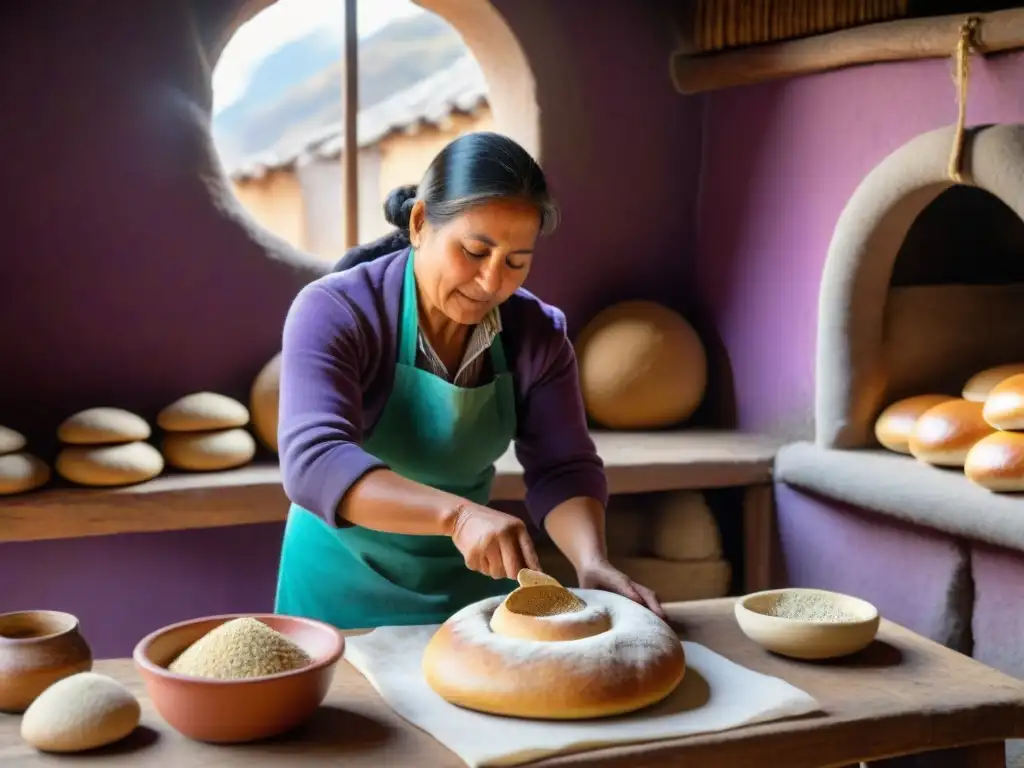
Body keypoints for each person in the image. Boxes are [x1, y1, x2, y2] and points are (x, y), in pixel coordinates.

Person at [274, 131, 664, 629]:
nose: (492, 282)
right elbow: (314, 461)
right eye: (475, 252)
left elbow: (562, 466)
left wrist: (591, 561)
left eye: (516, 262)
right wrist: (459, 518)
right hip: (338, 589)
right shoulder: (336, 311)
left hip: (466, 587)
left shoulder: (537, 335)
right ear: (420, 224)